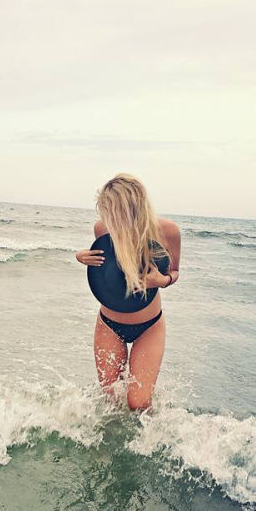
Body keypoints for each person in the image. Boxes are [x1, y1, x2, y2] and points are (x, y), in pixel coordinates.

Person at [76, 173, 181, 411]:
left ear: (131, 208)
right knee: (110, 400)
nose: (107, 219)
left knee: (139, 403)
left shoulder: (168, 231)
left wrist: (162, 280)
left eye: (112, 212)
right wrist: (81, 256)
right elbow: (109, 271)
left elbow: (174, 271)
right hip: (109, 323)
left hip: (149, 326)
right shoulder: (102, 229)